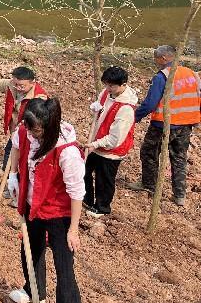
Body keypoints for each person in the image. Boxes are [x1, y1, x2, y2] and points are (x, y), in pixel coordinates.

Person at [7, 98, 85, 303]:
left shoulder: (66, 151)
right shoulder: (26, 131)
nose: (29, 132)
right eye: (27, 127)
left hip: (59, 213)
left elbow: (76, 191)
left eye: (34, 129)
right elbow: (16, 146)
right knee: (31, 249)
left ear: (48, 127)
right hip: (32, 205)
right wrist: (13, 175)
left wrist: (73, 229)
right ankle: (35, 292)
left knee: (65, 271)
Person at [127, 45, 201, 206]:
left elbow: (150, 103)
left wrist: (134, 117)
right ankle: (180, 195)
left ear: (164, 58)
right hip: (186, 124)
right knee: (179, 158)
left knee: (148, 152)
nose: (155, 62)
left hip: (163, 124)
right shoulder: (192, 74)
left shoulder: (162, 76)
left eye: (156, 58)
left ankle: (148, 184)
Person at [83, 66, 137, 218]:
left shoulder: (126, 109)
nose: (107, 88)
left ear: (123, 84)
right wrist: (96, 107)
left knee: (104, 179)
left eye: (111, 86)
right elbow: (101, 107)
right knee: (84, 169)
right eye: (106, 84)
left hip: (111, 150)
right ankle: (87, 199)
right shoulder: (107, 92)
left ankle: (102, 207)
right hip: (97, 141)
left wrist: (95, 144)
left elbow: (115, 139)